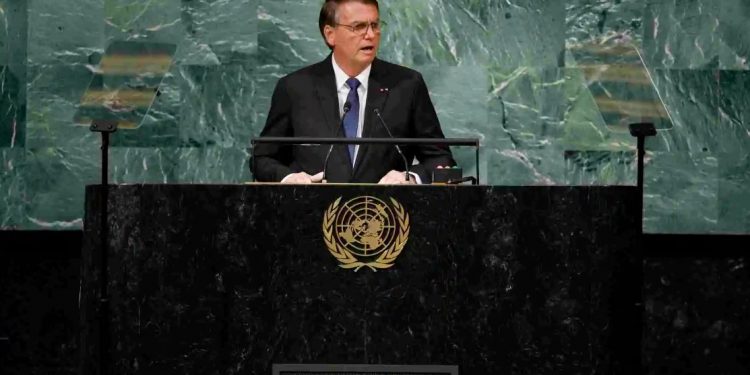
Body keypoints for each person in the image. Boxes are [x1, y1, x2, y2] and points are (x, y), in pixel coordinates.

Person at [252, 0, 455, 184]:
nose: (370, 35)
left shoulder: (407, 85)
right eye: (358, 27)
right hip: (311, 213)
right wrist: (289, 178)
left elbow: (440, 159)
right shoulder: (295, 88)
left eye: (375, 25)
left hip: (386, 215)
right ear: (330, 34)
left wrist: (410, 178)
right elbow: (262, 158)